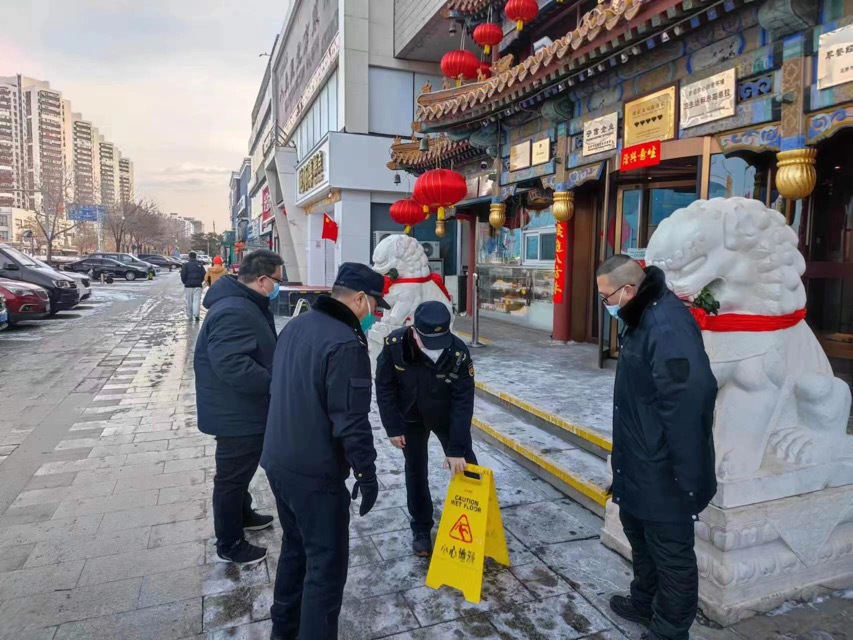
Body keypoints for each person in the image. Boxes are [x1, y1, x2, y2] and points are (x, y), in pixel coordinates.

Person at [262, 262, 386, 640]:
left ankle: (283, 630)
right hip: (316, 473)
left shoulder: (297, 325)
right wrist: (366, 473)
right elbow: (351, 422)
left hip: (279, 459)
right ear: (361, 299)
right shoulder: (346, 344)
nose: (375, 315)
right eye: (376, 306)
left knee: (296, 548)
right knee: (326, 569)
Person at [596, 254, 717, 640]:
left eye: (607, 297)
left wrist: (687, 475)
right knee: (641, 539)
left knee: (671, 554)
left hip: (663, 468)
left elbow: (689, 401)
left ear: (628, 290)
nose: (606, 305)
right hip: (637, 459)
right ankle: (643, 601)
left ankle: (669, 630)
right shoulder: (639, 316)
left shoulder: (666, 326)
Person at [194, 249, 284, 565]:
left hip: (244, 409)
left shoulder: (245, 303)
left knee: (241, 472)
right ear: (262, 280)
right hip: (237, 414)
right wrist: (276, 383)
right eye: (277, 281)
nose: (278, 287)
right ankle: (230, 542)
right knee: (231, 478)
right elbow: (232, 365)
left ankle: (243, 514)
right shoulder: (234, 310)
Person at [375, 300, 477, 557]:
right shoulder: (395, 345)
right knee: (416, 470)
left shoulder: (457, 352)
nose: (435, 348)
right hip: (409, 418)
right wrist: (392, 426)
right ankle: (421, 528)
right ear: (414, 330)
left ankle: (475, 521)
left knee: (468, 465)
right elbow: (385, 387)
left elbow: (463, 403)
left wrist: (455, 448)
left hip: (445, 417)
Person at [180, 251, 206, 321]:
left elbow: (183, 274)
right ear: (195, 257)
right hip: (198, 285)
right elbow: (204, 275)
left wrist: (185, 282)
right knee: (196, 300)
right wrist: (200, 281)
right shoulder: (200, 265)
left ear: (189, 257)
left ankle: (189, 315)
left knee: (189, 301)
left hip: (188, 286)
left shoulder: (186, 265)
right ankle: (196, 314)